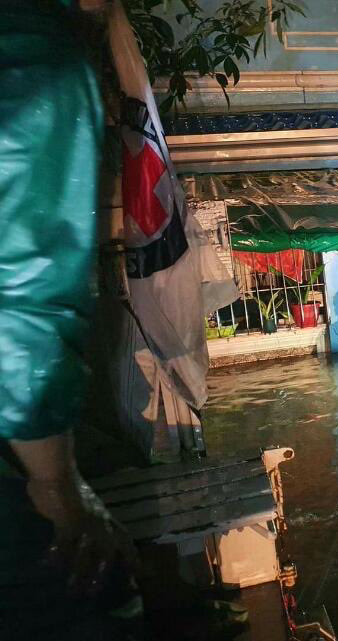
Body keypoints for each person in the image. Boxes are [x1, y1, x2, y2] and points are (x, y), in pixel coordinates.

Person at [1, 1, 138, 637]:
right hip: (18, 452)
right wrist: (55, 485)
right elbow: (23, 286)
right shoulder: (33, 54)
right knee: (92, 590)